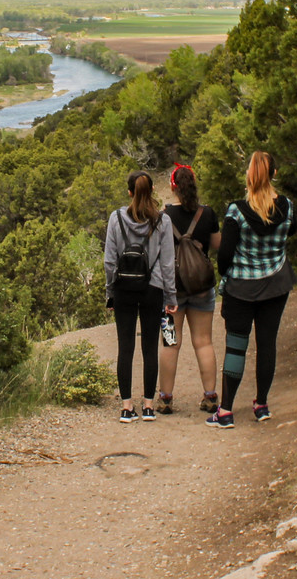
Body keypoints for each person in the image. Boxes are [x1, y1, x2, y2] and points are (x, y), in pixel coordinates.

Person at [206, 151, 295, 429]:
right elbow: (292, 230)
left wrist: (227, 275)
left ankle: (226, 412)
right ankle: (261, 404)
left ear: (249, 175)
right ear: (274, 174)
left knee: (236, 346)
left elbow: (225, 254)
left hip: (242, 289)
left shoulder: (236, 211)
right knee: (267, 344)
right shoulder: (287, 207)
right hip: (276, 284)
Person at [104, 170, 178, 423]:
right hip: (153, 288)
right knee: (149, 348)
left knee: (125, 348)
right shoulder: (163, 221)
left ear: (129, 192)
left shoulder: (116, 218)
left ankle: (126, 407)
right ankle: (148, 405)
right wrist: (171, 296)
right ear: (151, 192)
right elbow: (167, 263)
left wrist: (110, 292)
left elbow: (109, 260)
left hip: (124, 288)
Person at [158, 162, 220, 416]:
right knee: (204, 342)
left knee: (170, 342)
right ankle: (210, 397)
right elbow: (217, 245)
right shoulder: (208, 214)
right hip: (202, 289)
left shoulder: (163, 218)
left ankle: (165, 399)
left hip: (172, 292)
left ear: (173, 188)